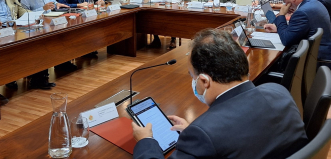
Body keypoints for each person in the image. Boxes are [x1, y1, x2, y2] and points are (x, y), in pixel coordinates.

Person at [132, 29, 308, 159]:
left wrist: (146, 141)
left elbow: (219, 135)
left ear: (204, 81)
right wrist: (194, 133)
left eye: (192, 76)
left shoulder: (204, 133)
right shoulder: (279, 92)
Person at [21, 0, 76, 74]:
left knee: (64, 34)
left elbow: (51, 1)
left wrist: (57, 3)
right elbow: (24, 14)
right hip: (37, 27)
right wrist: (42, 8)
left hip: (50, 21)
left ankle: (62, 63)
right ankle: (42, 71)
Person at [264, 0, 331, 61]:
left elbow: (286, 40)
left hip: (316, 60)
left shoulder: (302, 13)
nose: (284, 2)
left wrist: (281, 15)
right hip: (322, 55)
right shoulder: (314, 3)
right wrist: (278, 28)